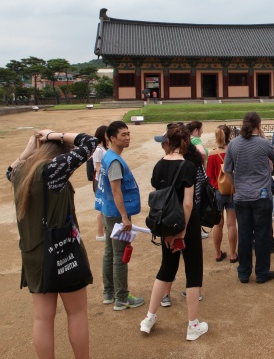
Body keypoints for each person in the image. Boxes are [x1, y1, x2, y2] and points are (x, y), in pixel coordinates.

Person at [8, 129, 97, 358]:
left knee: (42, 317)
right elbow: (90, 142)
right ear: (61, 151)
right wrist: (55, 134)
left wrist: (26, 152)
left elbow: (9, 171)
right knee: (77, 313)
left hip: (34, 253)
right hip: (62, 250)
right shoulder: (52, 171)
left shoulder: (21, 172)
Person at [140, 124, 208, 341]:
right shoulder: (187, 166)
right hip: (186, 223)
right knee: (193, 270)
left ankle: (149, 317)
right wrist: (183, 231)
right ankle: (192, 325)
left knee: (166, 269)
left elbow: (157, 197)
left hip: (166, 222)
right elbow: (188, 204)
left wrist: (169, 230)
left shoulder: (159, 165)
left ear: (167, 143)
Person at [224, 111, 274, 284]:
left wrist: (237, 185)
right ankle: (262, 272)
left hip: (241, 196)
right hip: (261, 195)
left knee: (245, 234)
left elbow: (227, 170)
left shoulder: (233, 144)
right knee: (262, 235)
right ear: (259, 124)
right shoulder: (263, 143)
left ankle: (244, 271)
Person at [98, 120, 144, 310]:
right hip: (117, 214)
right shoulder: (115, 161)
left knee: (110, 252)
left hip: (108, 211)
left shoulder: (108, 156)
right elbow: (117, 191)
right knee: (120, 254)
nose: (127, 138)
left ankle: (109, 293)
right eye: (123, 135)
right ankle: (122, 298)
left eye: (128, 133)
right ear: (111, 138)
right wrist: (124, 217)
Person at [207, 124, 237, 263]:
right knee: (232, 224)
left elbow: (209, 175)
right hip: (232, 189)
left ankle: (218, 253)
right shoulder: (233, 151)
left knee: (218, 224)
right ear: (229, 135)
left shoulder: (212, 154)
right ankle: (233, 254)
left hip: (217, 190)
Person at [92, 125, 108, 241]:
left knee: (105, 206)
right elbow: (97, 167)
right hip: (100, 180)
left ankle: (104, 231)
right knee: (102, 207)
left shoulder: (103, 148)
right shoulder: (98, 149)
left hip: (102, 179)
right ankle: (100, 233)